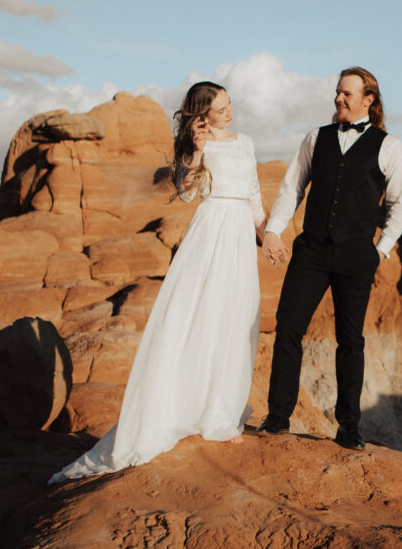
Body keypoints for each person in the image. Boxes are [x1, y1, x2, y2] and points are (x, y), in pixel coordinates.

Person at [50, 81, 267, 483]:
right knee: (198, 318)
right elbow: (186, 194)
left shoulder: (247, 142)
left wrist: (266, 235)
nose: (229, 112)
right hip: (211, 232)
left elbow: (253, 195)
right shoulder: (195, 147)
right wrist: (199, 152)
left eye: (230, 104)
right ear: (202, 115)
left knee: (233, 320)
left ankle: (220, 410)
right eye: (220, 109)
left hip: (239, 237)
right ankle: (194, 413)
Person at [257, 67, 402, 450]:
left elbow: (399, 205)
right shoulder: (316, 138)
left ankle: (348, 425)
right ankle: (278, 416)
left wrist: (380, 249)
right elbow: (292, 188)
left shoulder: (388, 146)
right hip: (312, 250)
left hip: (358, 254)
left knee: (350, 340)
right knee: (289, 328)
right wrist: (274, 229)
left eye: (346, 94)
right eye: (337, 92)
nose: (338, 99)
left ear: (367, 99)